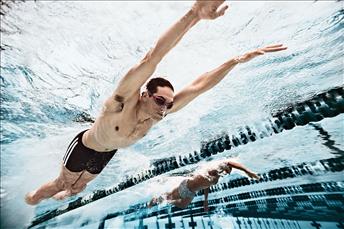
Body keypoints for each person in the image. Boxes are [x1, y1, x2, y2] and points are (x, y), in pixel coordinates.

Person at [25, 0, 286, 205]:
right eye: (160, 100)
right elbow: (152, 58)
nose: (164, 108)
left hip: (107, 152)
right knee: (62, 184)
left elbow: (199, 86)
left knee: (78, 188)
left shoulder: (158, 114)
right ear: (145, 95)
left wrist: (235, 61)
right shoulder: (121, 103)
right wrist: (193, 14)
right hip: (86, 145)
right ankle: (29, 201)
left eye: (168, 104)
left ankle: (64, 196)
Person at [147, 159, 260, 210]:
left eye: (228, 173)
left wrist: (206, 200)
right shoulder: (213, 169)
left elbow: (206, 187)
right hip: (185, 187)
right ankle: (154, 200)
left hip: (191, 192)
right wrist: (247, 171)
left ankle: (164, 198)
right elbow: (230, 162)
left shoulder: (216, 178)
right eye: (226, 171)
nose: (226, 173)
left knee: (182, 205)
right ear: (224, 168)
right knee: (167, 196)